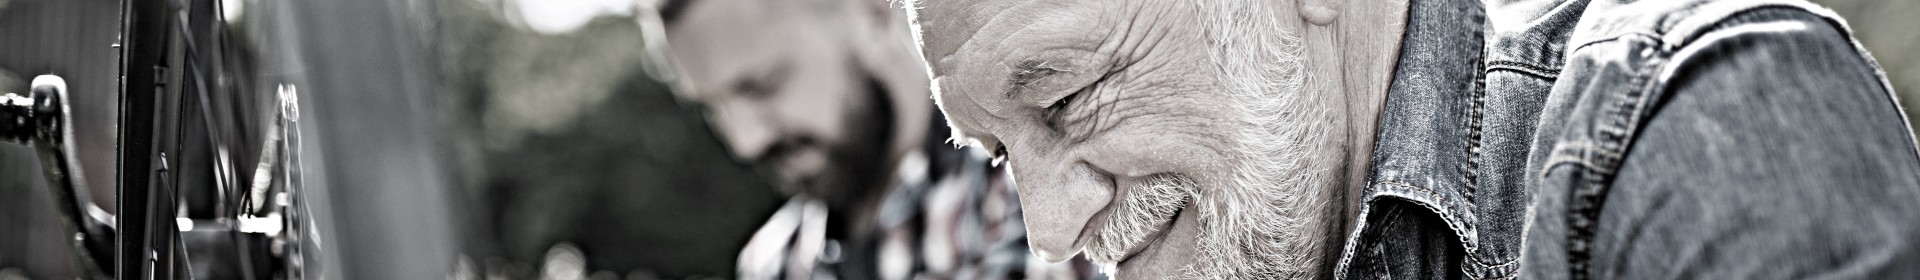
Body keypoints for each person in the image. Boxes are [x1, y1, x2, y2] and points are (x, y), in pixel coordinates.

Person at [904, 0, 1920, 278]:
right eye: (997, 151)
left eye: (1068, 100)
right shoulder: (1253, 235)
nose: (1047, 227)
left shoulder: (1696, 123)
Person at [648, 0, 1091, 278]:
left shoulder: (1033, 194)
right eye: (710, 107)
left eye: (763, 85)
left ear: (873, 14)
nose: (745, 142)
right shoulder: (771, 263)